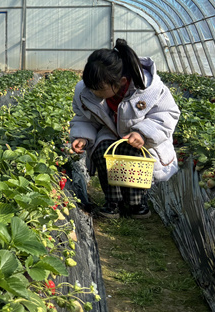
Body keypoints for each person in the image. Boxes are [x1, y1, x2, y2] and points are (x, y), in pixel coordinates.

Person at [69, 39, 180, 219]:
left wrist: (143, 133)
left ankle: (137, 203)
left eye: (99, 89)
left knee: (133, 157)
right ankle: (113, 202)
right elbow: (84, 117)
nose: (94, 93)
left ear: (121, 82)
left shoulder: (149, 88)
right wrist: (82, 137)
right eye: (91, 88)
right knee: (103, 152)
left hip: (142, 138)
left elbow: (167, 114)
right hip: (110, 132)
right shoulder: (86, 91)